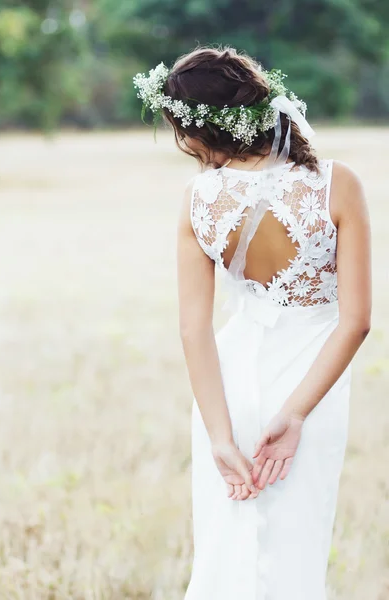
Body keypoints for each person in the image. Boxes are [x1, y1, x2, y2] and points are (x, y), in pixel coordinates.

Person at [133, 46, 371, 600]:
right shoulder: (339, 185)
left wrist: (219, 436)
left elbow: (194, 330)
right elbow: (355, 321)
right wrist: (295, 415)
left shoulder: (197, 199)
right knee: (297, 545)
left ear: (195, 130)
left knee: (226, 549)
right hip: (310, 383)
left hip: (231, 386)